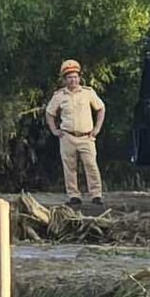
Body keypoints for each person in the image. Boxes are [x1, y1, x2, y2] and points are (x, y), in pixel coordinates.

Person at [45, 59, 106, 211]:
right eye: (69, 77)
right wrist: (54, 130)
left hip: (86, 136)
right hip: (68, 136)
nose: (73, 80)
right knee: (69, 167)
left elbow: (101, 108)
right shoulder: (59, 95)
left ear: (79, 78)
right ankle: (74, 195)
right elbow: (49, 113)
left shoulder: (88, 93)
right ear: (65, 79)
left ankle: (96, 195)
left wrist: (97, 128)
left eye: (75, 76)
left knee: (91, 165)